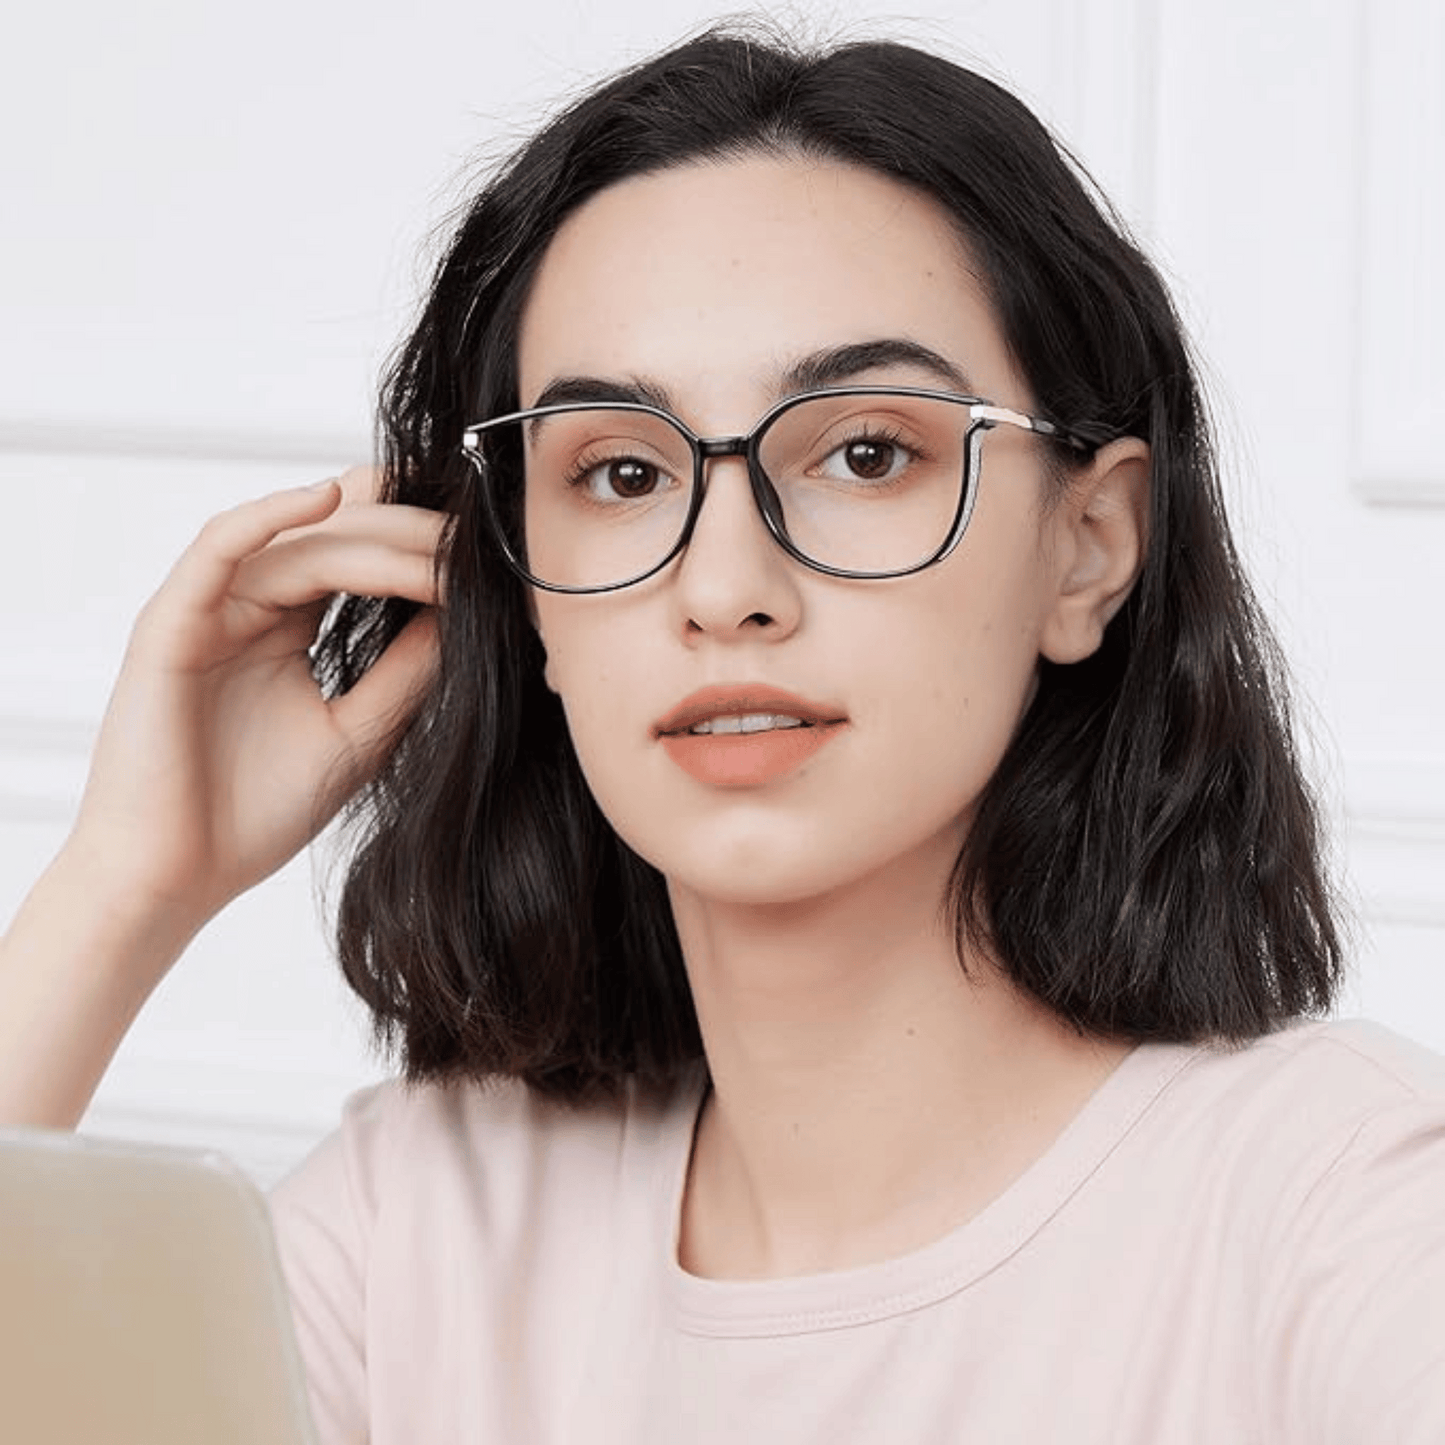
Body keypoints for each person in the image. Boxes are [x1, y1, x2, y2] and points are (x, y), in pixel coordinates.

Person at [2, 24, 1442, 1443]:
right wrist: (124, 888)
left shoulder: (1342, 1209)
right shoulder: (422, 1228)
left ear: (1088, 547)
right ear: (522, 592)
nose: (725, 589)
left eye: (865, 453)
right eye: (621, 471)